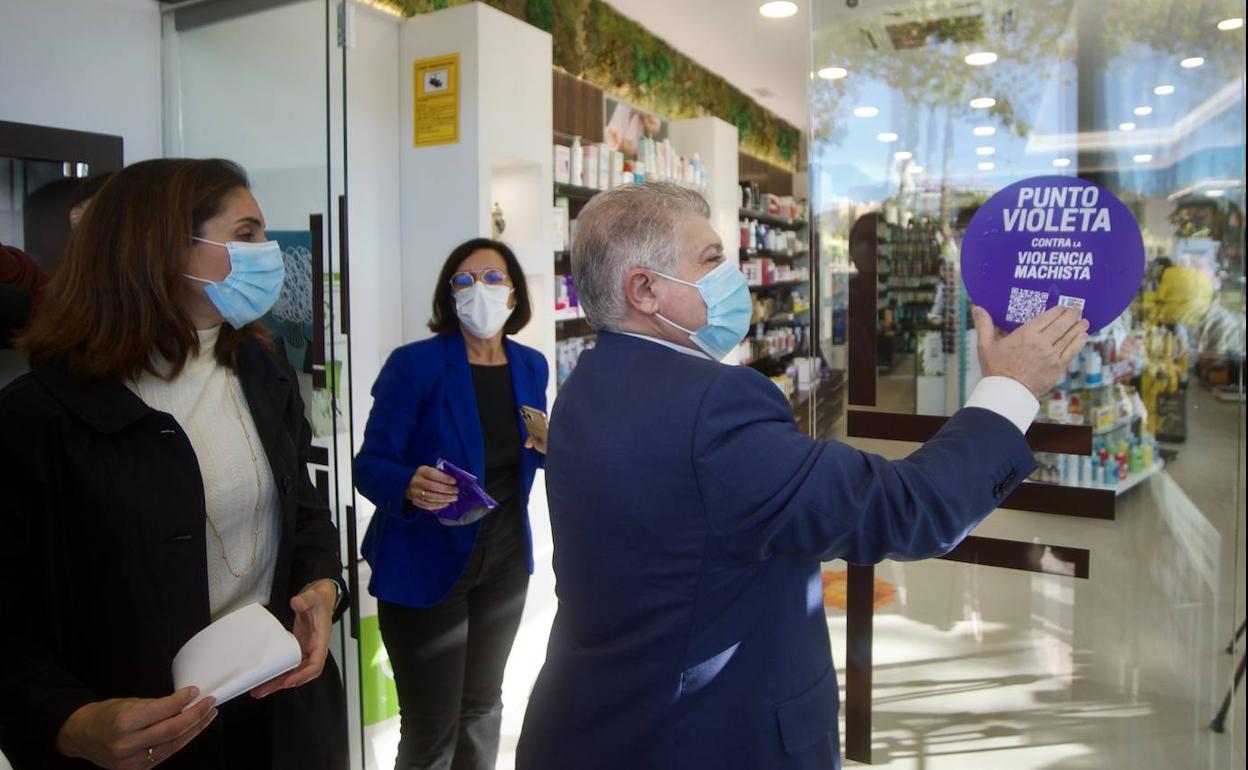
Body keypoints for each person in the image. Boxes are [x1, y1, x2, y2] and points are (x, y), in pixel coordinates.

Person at [516, 182, 1089, 770]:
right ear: (645, 289)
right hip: (702, 739)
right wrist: (1011, 389)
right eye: (712, 260)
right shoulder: (713, 407)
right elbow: (905, 510)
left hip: (594, 726)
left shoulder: (586, 387)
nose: (732, 276)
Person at [0, 158, 349, 770]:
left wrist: (324, 588)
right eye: (246, 234)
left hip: (281, 715)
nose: (268, 252)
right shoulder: (40, 419)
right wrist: (71, 722)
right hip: (146, 745)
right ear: (161, 247)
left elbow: (304, 514)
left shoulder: (263, 373)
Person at [354, 238, 548, 770]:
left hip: (505, 562)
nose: (477, 290)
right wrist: (408, 484)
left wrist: (559, 446)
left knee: (484, 708)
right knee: (432, 729)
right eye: (463, 280)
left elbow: (532, 446)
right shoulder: (415, 365)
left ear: (513, 293)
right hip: (425, 563)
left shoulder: (531, 366)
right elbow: (370, 464)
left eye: (492, 277)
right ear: (448, 295)